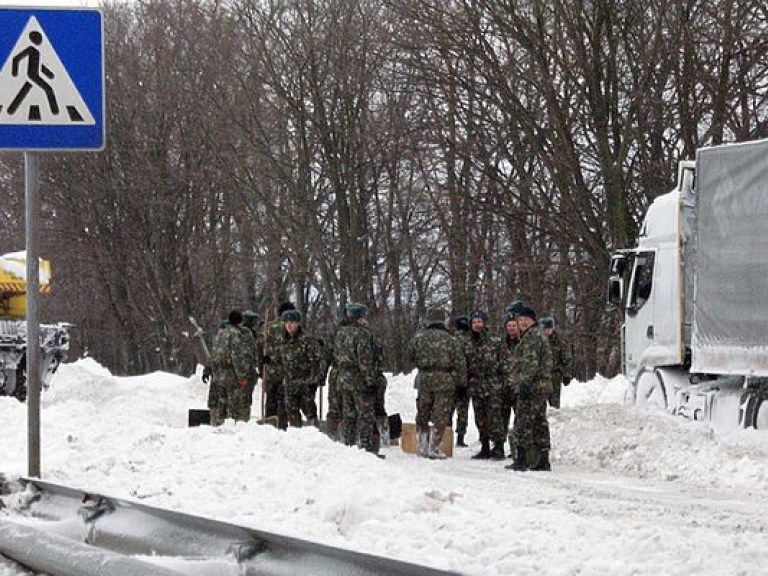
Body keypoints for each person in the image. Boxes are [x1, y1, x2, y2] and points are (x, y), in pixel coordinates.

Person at [407, 307, 467, 459]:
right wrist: (461, 383)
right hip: (444, 380)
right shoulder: (451, 340)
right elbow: (460, 363)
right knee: (441, 415)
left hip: (424, 379)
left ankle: (422, 445)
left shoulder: (418, 338)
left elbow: (409, 357)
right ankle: (434, 447)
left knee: (422, 413)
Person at [506, 306, 553, 472]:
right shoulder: (538, 335)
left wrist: (524, 383)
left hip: (532, 386)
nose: (522, 322)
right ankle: (543, 459)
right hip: (542, 385)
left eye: (525, 319)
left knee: (523, 421)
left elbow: (530, 363)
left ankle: (522, 460)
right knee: (540, 422)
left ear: (532, 320)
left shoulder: (532, 337)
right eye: (520, 319)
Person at [333, 303, 382, 457]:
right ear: (360, 317)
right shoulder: (362, 334)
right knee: (366, 415)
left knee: (349, 414)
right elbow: (365, 360)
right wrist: (371, 380)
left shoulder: (340, 333)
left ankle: (348, 445)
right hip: (359, 380)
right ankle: (366, 448)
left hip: (343, 379)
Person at [464, 310, 504, 460]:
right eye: (474, 322)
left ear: (484, 323)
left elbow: (504, 361)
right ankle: (485, 446)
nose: (477, 325)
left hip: (492, 384)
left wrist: (506, 380)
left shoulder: (494, 340)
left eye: (479, 322)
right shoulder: (467, 342)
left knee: (495, 417)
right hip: (475, 384)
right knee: (480, 417)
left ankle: (498, 446)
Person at [208, 310, 258, 425]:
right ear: (240, 322)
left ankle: (219, 426)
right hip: (231, 376)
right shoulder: (236, 335)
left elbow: (214, 355)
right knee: (234, 406)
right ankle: (232, 427)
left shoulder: (220, 334)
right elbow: (237, 357)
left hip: (218, 376)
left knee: (221, 404)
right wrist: (242, 376)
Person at [277, 309, 321, 427]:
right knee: (291, 412)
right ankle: (296, 435)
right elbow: (281, 360)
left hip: (305, 383)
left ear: (298, 323)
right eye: (286, 323)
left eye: (292, 322)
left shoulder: (307, 340)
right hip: (289, 383)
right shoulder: (283, 340)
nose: (289, 325)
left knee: (310, 411)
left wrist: (314, 380)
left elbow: (316, 361)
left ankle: (315, 435)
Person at [262, 302, 294, 429]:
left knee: (270, 399)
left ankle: (269, 425)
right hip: (286, 370)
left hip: (270, 370)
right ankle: (282, 425)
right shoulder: (291, 327)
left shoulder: (268, 327)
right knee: (283, 400)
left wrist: (263, 360)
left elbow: (261, 345)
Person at [497, 313, 521, 457]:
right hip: (503, 385)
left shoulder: (524, 342)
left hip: (518, 385)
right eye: (509, 326)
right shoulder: (501, 343)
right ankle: (499, 446)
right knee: (501, 418)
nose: (511, 328)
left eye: (514, 325)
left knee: (519, 417)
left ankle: (517, 448)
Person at [539, 316, 574, 409]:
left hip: (555, 374)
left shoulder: (559, 341)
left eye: (548, 329)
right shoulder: (537, 341)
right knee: (539, 402)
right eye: (544, 329)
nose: (546, 332)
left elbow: (567, 358)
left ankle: (555, 420)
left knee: (554, 402)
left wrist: (567, 373)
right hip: (540, 376)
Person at [451, 315, 471, 447]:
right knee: (462, 411)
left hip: (450, 380)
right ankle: (460, 437)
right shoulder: (470, 341)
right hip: (466, 381)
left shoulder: (450, 341)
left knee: (447, 411)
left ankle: (445, 436)